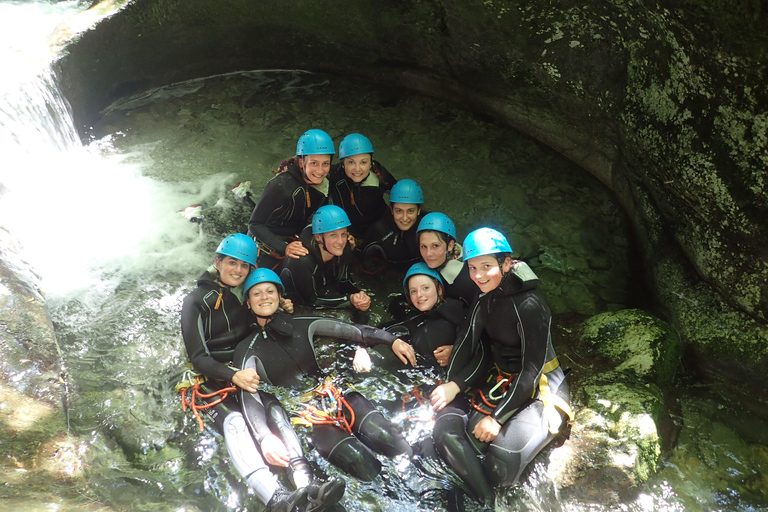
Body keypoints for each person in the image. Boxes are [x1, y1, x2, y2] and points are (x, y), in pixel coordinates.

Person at [180, 234, 343, 512]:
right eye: (232, 263)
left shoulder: (247, 293)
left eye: (244, 266)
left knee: (275, 411)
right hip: (212, 380)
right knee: (236, 423)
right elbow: (197, 357)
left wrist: (282, 307)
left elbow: (265, 319)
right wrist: (232, 376)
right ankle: (275, 499)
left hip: (248, 370)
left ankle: (306, 485)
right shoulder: (195, 301)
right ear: (218, 262)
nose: (238, 271)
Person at [427, 228, 573, 503]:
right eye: (472, 268)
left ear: (506, 264)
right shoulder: (484, 296)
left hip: (542, 387)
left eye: (486, 267)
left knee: (500, 466)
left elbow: (532, 370)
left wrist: (497, 418)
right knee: (456, 444)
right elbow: (467, 342)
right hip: (503, 379)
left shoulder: (531, 305)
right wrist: (447, 387)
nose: (479, 275)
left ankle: (490, 505)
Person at [233, 268, 417, 482]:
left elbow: (355, 331)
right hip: (306, 417)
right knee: (360, 461)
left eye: (270, 291)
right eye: (257, 293)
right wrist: (264, 437)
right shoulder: (246, 350)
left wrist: (392, 340)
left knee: (392, 440)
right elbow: (248, 397)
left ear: (280, 296)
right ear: (248, 302)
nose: (264, 297)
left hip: (335, 394)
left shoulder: (302, 323)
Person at [247, 129, 334, 269]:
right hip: (268, 240)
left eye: (325, 164)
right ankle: (244, 197)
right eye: (314, 163)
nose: (320, 171)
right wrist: (284, 248)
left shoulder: (326, 181)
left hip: (295, 232)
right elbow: (255, 224)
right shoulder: (281, 185)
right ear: (301, 163)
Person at [278, 204, 371, 311]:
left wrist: (359, 296)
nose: (340, 241)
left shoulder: (344, 248)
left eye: (343, 234)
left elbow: (343, 280)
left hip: (321, 289)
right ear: (318, 238)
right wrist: (349, 300)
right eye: (333, 235)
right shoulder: (301, 260)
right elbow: (311, 301)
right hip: (294, 301)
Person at [328, 133, 397, 238]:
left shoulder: (380, 176)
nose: (357, 169)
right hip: (349, 229)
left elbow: (400, 196)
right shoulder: (334, 176)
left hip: (379, 224)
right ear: (343, 163)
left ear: (370, 163)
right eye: (351, 162)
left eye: (363, 162)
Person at [358, 178, 426, 273]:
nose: (405, 218)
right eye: (399, 211)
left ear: (418, 210)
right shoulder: (379, 231)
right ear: (391, 210)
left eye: (410, 211)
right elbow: (363, 264)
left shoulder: (430, 228)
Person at [416, 212, 478, 308]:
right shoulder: (454, 251)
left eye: (435, 246)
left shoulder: (465, 282)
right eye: (424, 246)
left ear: (450, 245)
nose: (428, 254)